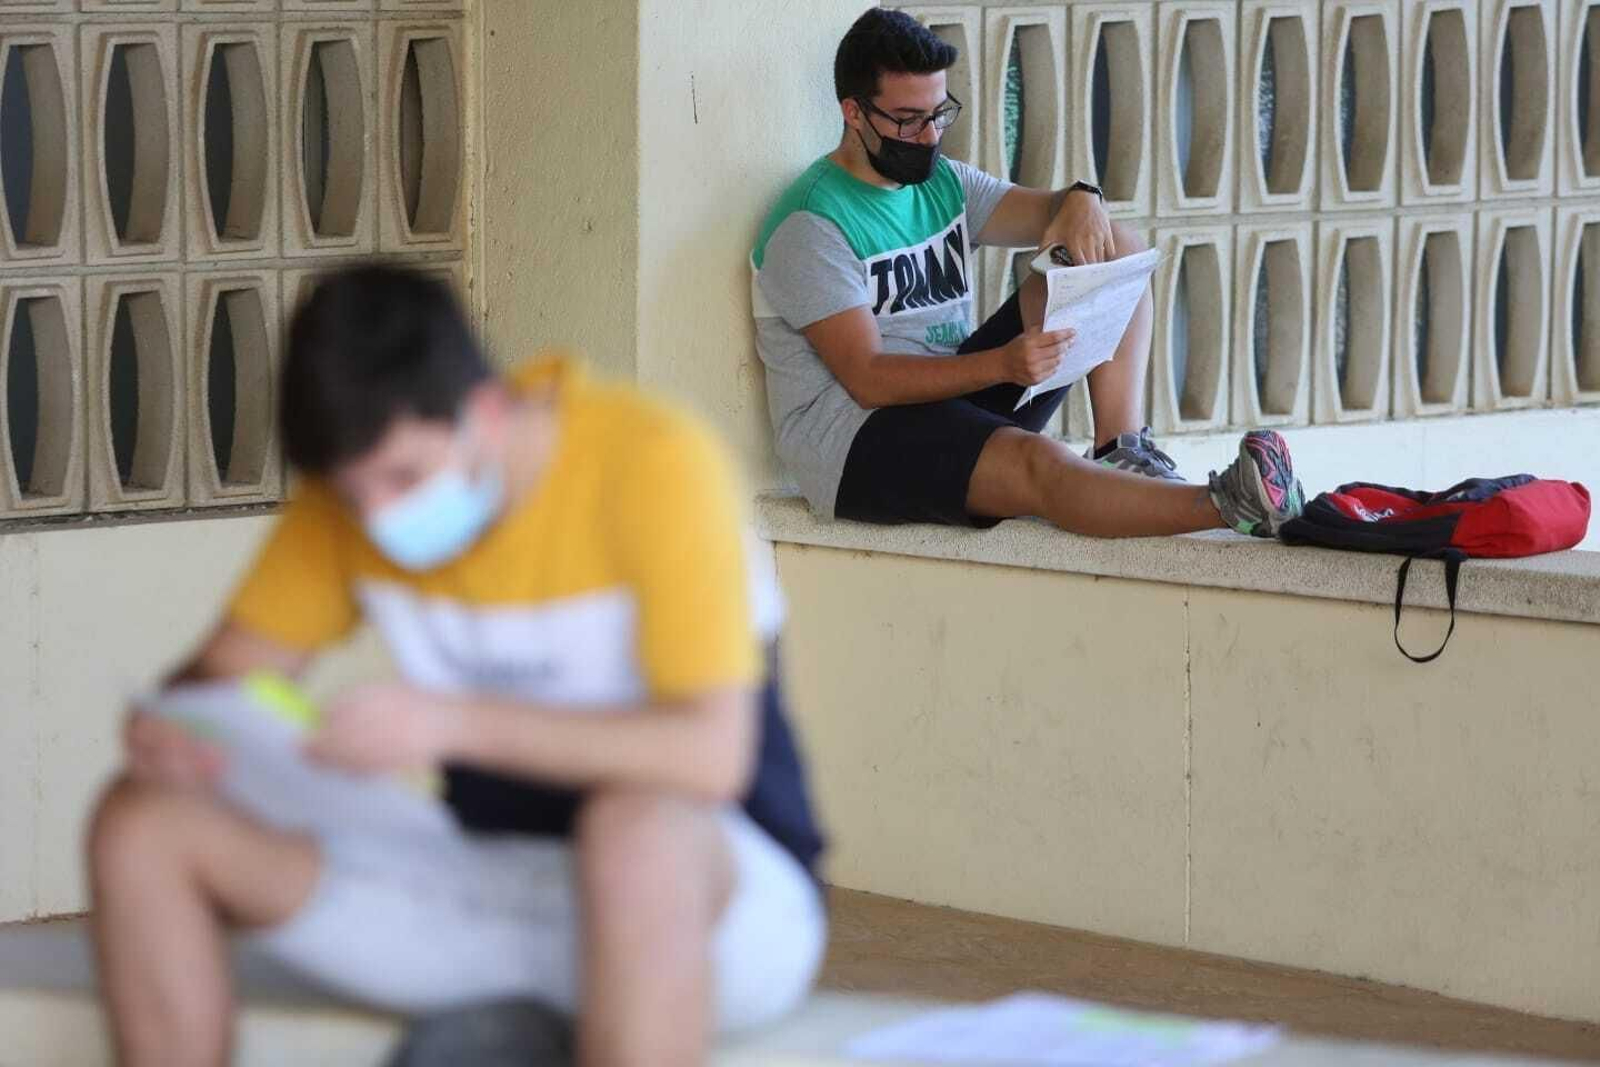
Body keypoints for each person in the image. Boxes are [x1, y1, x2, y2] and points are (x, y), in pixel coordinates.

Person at [86, 266, 827, 1067]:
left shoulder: (653, 462)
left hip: (715, 910)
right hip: (495, 885)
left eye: (404, 478)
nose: (380, 516)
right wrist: (174, 725)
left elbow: (709, 759)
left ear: (486, 412)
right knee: (139, 823)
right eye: (352, 494)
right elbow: (215, 680)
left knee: (635, 828)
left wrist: (449, 723)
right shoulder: (351, 503)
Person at [752, 8, 1305, 537]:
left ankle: (1120, 448)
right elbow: (868, 379)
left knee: (1118, 247)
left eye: (939, 114)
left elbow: (1058, 212)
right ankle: (1230, 504)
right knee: (1037, 461)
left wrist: (1084, 196)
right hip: (857, 439)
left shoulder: (940, 180)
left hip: (952, 392)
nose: (928, 136)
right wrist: (1002, 365)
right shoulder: (810, 223)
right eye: (908, 120)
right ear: (853, 113)